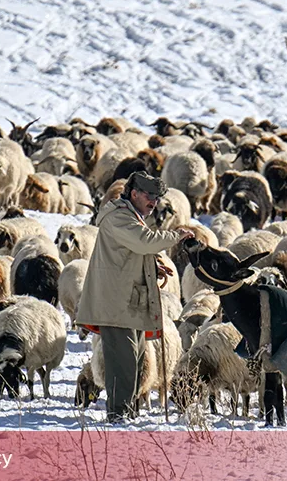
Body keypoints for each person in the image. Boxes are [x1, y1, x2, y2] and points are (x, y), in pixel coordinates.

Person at [76, 171, 193, 422]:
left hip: (129, 302)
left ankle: (127, 412)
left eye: (156, 197)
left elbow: (127, 255)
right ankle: (118, 416)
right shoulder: (119, 217)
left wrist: (151, 267)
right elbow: (142, 242)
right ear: (134, 193)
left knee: (137, 362)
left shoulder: (131, 217)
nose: (153, 201)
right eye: (149, 196)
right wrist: (175, 236)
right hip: (116, 305)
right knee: (123, 365)